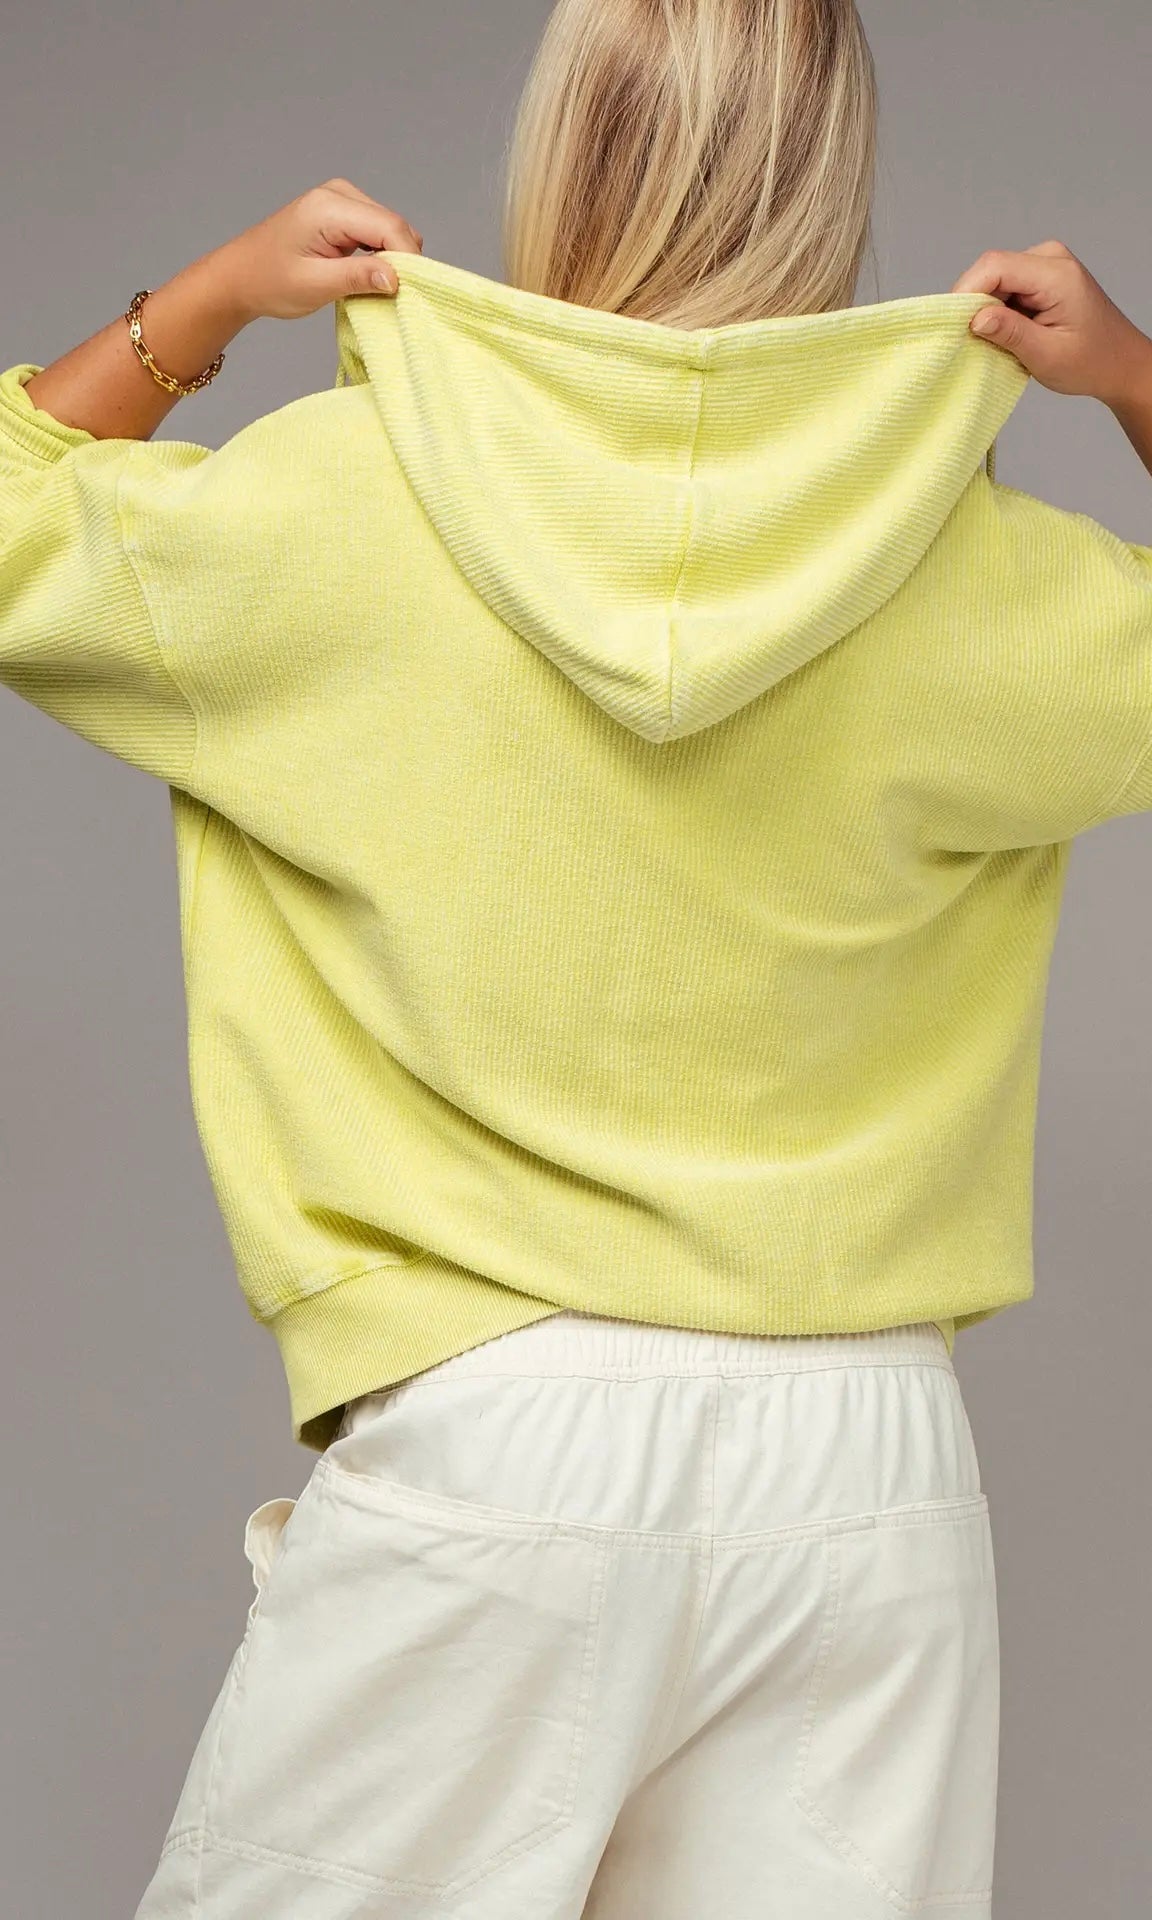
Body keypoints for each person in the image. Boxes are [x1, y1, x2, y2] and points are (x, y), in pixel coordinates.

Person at [2, 2, 1150, 1914]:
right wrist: (1131, 376)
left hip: (497, 1424)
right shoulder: (988, 583)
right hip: (863, 1461)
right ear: (832, 179)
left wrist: (196, 306)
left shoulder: (339, 510)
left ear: (564, 153)